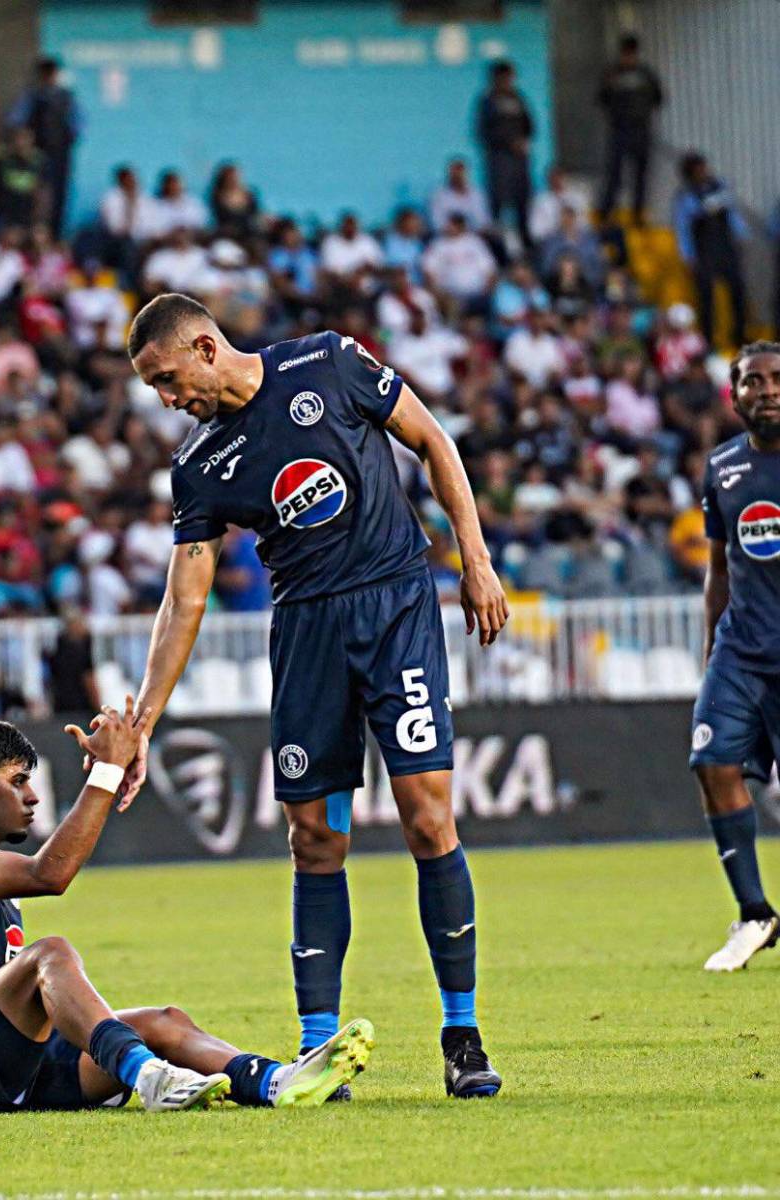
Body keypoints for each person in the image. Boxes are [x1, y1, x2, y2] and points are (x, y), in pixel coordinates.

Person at [123, 293, 509, 1098]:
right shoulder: (199, 466)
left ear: (204, 347)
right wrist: (144, 720)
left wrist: (474, 560)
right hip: (307, 634)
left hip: (395, 607)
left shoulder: (328, 363)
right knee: (314, 839)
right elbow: (185, 597)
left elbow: (431, 440)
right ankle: (318, 1050)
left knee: (428, 817)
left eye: (166, 378)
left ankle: (463, 1035)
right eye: (154, 388)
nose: (166, 399)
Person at [0, 709, 375, 1114]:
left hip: (5, 1061)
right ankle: (148, 1076)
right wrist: (107, 772)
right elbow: (50, 874)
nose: (32, 795)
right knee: (48, 955)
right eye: (17, 781)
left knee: (163, 1023)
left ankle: (274, 1081)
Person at [689, 342, 780, 971]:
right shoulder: (722, 468)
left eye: (776, 380)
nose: (767, 390)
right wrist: (710, 648)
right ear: (735, 394)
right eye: (753, 382)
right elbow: (718, 569)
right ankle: (754, 914)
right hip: (741, 653)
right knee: (712, 761)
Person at [673, 153, 748, 348]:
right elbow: (683, 228)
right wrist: (687, 255)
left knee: (738, 290)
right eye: (699, 170)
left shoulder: (719, 186)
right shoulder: (686, 196)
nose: (704, 172)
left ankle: (739, 335)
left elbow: (731, 212)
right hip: (704, 250)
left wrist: (741, 233)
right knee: (706, 296)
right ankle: (708, 340)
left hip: (725, 245)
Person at [5, 58, 81, 238]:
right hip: (36, 154)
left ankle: (54, 234)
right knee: (32, 194)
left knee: (59, 194)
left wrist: (68, 139)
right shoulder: (32, 96)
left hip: (60, 153)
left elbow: (79, 124)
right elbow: (14, 121)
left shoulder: (67, 97)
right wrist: (25, 142)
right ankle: (33, 234)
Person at [596, 35, 663, 225]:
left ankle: (638, 213)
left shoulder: (646, 74)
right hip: (619, 129)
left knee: (640, 175)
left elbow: (659, 98)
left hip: (641, 129)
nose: (629, 58)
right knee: (614, 173)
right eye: (626, 54)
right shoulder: (612, 74)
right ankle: (606, 211)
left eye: (631, 54)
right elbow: (601, 99)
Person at [475, 61, 534, 249]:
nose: (509, 81)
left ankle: (525, 243)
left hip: (520, 162)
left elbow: (530, 125)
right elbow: (483, 132)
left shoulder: (518, 98)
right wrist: (509, 143)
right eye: (505, 77)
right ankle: (496, 247)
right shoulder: (487, 101)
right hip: (499, 161)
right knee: (498, 205)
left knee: (523, 202)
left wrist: (523, 141)